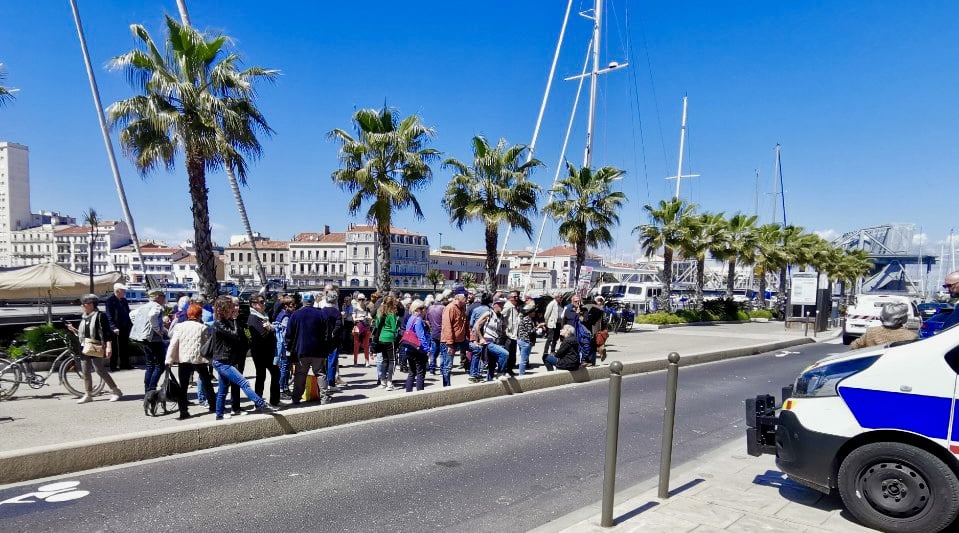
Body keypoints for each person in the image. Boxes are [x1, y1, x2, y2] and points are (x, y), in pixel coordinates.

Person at [210, 295, 276, 419]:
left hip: (227, 360)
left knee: (223, 389)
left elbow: (242, 336)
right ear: (223, 309)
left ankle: (219, 415)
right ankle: (261, 404)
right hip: (222, 362)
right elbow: (234, 335)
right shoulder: (219, 323)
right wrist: (235, 319)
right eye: (230, 307)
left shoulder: (226, 321)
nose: (234, 309)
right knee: (243, 382)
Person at [68, 294, 123, 404]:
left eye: (85, 303)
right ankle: (88, 394)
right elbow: (84, 334)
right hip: (84, 346)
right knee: (85, 371)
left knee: (99, 370)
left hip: (96, 346)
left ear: (92, 305)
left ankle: (116, 391)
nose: (83, 305)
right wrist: (74, 330)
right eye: (82, 304)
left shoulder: (100, 316)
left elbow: (107, 333)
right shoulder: (84, 317)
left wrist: (108, 347)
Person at [164, 303, 215, 420]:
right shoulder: (203, 327)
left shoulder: (179, 326)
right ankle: (213, 406)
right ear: (199, 315)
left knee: (183, 386)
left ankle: (183, 412)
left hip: (184, 359)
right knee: (207, 383)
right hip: (199, 359)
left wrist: (169, 359)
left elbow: (173, 344)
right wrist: (210, 360)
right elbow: (206, 345)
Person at [286, 292, 334, 404]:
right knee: (320, 373)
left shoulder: (296, 315)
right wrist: (326, 349)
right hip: (318, 350)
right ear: (313, 302)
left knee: (300, 374)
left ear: (303, 301)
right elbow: (328, 334)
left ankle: (296, 398)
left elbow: (289, 334)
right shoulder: (321, 314)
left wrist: (289, 349)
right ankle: (324, 398)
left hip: (301, 350)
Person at [130, 289, 169, 393]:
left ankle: (147, 390)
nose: (164, 298)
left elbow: (132, 314)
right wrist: (158, 329)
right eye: (163, 296)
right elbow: (152, 316)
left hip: (144, 338)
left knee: (150, 364)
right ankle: (152, 389)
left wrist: (140, 326)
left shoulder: (144, 306)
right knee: (160, 365)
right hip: (154, 338)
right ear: (157, 297)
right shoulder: (156, 306)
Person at [248, 295, 280, 406]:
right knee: (261, 376)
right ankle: (258, 402)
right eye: (261, 302)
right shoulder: (253, 318)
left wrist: (270, 328)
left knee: (275, 374)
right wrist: (270, 330)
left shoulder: (263, 316)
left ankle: (274, 401)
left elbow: (268, 331)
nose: (264, 304)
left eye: (264, 301)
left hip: (268, 352)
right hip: (260, 353)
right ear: (253, 304)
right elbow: (262, 335)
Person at [471, 298, 510, 381]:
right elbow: (477, 325)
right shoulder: (489, 313)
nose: (502, 306)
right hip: (488, 341)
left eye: (503, 304)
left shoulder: (501, 316)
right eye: (501, 304)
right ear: (495, 305)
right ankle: (500, 373)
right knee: (505, 354)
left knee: (492, 364)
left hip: (496, 341)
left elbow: (502, 330)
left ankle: (489, 381)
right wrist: (480, 338)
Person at [850, 302, 918, 349]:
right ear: (904, 319)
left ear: (882, 317)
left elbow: (854, 346)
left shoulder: (871, 332)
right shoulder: (911, 336)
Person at [441, 287, 469, 387]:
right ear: (457, 297)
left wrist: (472, 339)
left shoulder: (462, 308)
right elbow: (447, 326)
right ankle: (446, 387)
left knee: (477, 349)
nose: (467, 297)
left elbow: (466, 325)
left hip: (461, 340)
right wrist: (449, 344)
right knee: (447, 366)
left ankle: (474, 374)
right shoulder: (450, 308)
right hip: (450, 342)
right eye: (465, 296)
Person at [403, 300, 432, 392]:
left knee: (412, 372)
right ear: (417, 309)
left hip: (409, 348)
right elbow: (421, 336)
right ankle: (420, 395)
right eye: (422, 308)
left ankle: (408, 393)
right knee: (420, 373)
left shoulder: (411, 318)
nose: (424, 310)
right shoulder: (418, 320)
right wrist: (427, 349)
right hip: (418, 349)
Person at [373, 295, 401, 390]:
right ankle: (389, 382)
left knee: (384, 360)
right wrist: (398, 325)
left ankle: (383, 381)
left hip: (381, 338)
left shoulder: (379, 312)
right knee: (391, 360)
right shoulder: (391, 314)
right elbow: (394, 328)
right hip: (389, 338)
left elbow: (376, 325)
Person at [104, 282, 134, 371]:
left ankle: (125, 364)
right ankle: (113, 366)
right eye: (123, 290)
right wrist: (113, 327)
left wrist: (130, 324)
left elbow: (128, 313)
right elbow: (109, 315)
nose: (124, 292)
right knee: (115, 347)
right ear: (117, 291)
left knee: (124, 346)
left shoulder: (124, 300)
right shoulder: (110, 301)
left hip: (124, 327)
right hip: (115, 327)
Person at [319, 290, 344, 392]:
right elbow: (338, 326)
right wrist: (333, 334)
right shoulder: (337, 313)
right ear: (335, 300)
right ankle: (331, 383)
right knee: (332, 362)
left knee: (322, 363)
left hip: (323, 340)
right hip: (334, 341)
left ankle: (323, 384)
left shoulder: (321, 311)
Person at [272, 295, 295, 398]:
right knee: (284, 368)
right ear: (286, 306)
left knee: (286, 368)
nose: (294, 307)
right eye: (292, 305)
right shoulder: (285, 316)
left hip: (284, 345)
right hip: (285, 346)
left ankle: (285, 387)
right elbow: (286, 333)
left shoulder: (282, 314)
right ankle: (281, 389)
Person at [425, 295, 445, 375]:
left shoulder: (430, 308)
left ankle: (432, 369)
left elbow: (427, 321)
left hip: (433, 332)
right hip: (442, 333)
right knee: (443, 353)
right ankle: (442, 370)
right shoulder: (443, 308)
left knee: (433, 352)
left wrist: (430, 328)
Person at [352, 294, 373, 366]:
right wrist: (360, 318)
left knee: (366, 345)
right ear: (357, 300)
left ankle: (367, 361)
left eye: (362, 299)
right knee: (356, 345)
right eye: (359, 299)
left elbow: (370, 317)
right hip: (358, 328)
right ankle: (355, 361)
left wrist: (368, 318)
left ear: (365, 300)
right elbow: (354, 319)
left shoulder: (367, 309)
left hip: (366, 328)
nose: (361, 301)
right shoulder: (355, 308)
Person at [517, 301, 536, 375]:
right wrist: (537, 328)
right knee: (524, 360)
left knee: (524, 358)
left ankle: (522, 372)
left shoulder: (525, 318)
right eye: (533, 312)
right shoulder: (527, 319)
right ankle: (521, 374)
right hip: (525, 341)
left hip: (522, 340)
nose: (535, 313)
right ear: (530, 313)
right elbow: (530, 331)